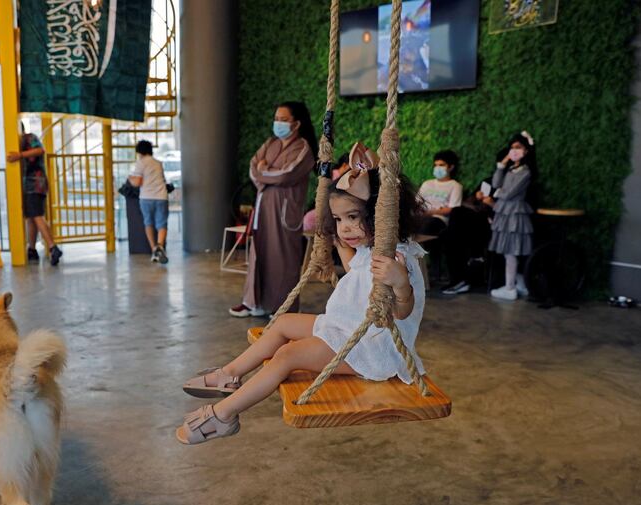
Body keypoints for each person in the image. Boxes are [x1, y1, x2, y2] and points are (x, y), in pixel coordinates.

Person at [176, 143, 427, 445]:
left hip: (373, 348)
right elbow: (357, 272)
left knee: (288, 355)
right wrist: (334, 244)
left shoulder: (398, 259)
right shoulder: (367, 250)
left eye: (353, 217)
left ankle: (224, 415)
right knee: (282, 324)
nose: (345, 228)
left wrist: (400, 283)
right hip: (347, 328)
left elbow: (402, 311)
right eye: (338, 219)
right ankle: (227, 374)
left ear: (381, 215)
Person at [229, 101, 317, 318]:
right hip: (263, 208)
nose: (278, 123)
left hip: (284, 212)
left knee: (283, 258)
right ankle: (253, 302)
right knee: (258, 253)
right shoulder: (270, 143)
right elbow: (253, 168)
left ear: (296, 124)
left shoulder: (303, 148)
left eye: (283, 119)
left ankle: (283, 308)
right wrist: (266, 174)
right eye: (276, 118)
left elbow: (288, 174)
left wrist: (264, 171)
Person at [482, 131, 536, 300]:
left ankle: (510, 287)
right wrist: (502, 164)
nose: (514, 151)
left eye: (518, 147)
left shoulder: (526, 172)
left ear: (526, 151)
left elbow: (508, 193)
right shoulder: (511, 168)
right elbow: (496, 183)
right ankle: (514, 284)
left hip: (514, 213)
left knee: (511, 250)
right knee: (508, 251)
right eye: (512, 148)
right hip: (505, 212)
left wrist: (495, 194)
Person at [7, 125, 62, 266]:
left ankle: (52, 247)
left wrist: (19, 155)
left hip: (35, 183)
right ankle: (32, 249)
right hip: (31, 185)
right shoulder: (21, 143)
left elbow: (40, 150)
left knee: (37, 216)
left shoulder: (29, 137)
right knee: (31, 217)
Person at [439, 179, 494, 295]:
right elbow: (469, 201)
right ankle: (458, 280)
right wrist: (476, 196)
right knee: (454, 221)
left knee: (454, 234)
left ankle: (460, 280)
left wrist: (493, 204)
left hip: (492, 224)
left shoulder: (517, 182)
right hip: (474, 220)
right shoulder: (489, 182)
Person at [128, 140, 169, 264]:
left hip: (146, 197)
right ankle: (160, 247)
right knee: (162, 223)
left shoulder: (141, 163)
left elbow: (138, 182)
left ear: (140, 151)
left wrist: (130, 178)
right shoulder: (158, 163)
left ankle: (154, 250)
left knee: (148, 223)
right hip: (161, 196)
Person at [418, 150, 463, 236]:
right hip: (421, 217)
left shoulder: (455, 186)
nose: (437, 168)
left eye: (441, 165)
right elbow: (417, 201)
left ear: (451, 167)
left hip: (439, 219)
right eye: (435, 165)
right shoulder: (427, 183)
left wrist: (430, 213)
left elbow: (453, 209)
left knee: (427, 225)